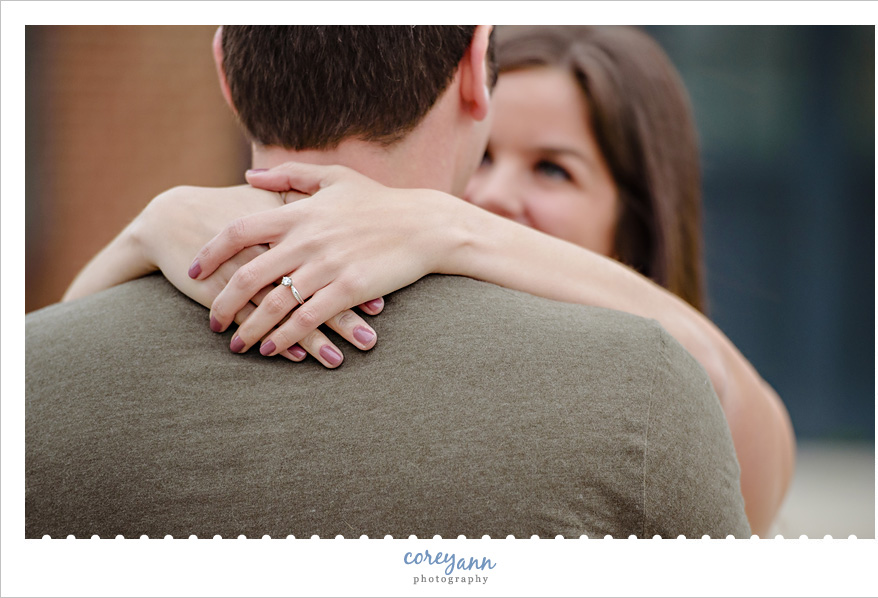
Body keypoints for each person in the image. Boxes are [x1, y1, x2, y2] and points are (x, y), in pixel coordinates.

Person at [30, 25, 750, 539]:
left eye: (553, 169)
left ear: (222, 66)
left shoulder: (36, 374)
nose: (499, 197)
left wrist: (452, 226)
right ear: (476, 64)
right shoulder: (646, 392)